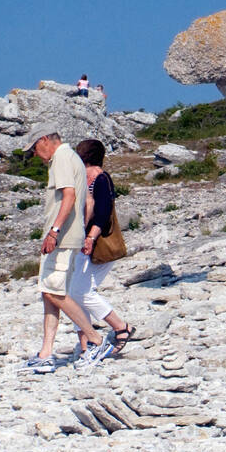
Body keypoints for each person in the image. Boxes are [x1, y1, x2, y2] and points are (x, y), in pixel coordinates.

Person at [23, 130, 115, 372]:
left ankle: (95, 339)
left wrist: (54, 231)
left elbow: (69, 196)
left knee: (54, 292)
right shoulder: (70, 157)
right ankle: (46, 353)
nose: (35, 154)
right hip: (65, 237)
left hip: (62, 238)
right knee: (48, 291)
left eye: (34, 148)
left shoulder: (62, 157)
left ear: (44, 139)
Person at [68, 138, 135, 357]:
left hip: (96, 245)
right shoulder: (85, 179)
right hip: (83, 244)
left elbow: (104, 212)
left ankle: (120, 327)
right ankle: (87, 343)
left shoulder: (100, 179)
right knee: (74, 292)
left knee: (79, 292)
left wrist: (90, 238)